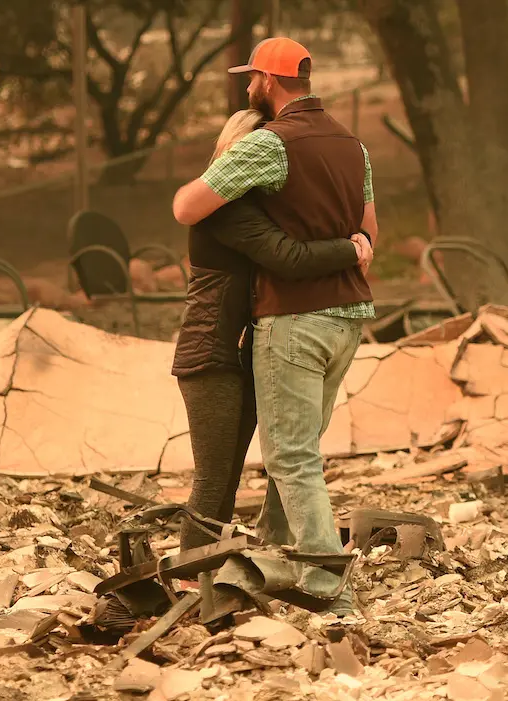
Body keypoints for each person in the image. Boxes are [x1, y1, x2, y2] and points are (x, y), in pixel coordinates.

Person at [171, 37, 377, 618]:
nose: (247, 86)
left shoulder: (270, 145)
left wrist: (222, 173)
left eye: (252, 76)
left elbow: (188, 207)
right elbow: (369, 233)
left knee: (289, 459)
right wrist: (352, 247)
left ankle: (327, 584)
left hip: (294, 320)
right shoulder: (353, 145)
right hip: (348, 319)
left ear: (269, 79)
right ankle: (273, 562)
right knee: (297, 452)